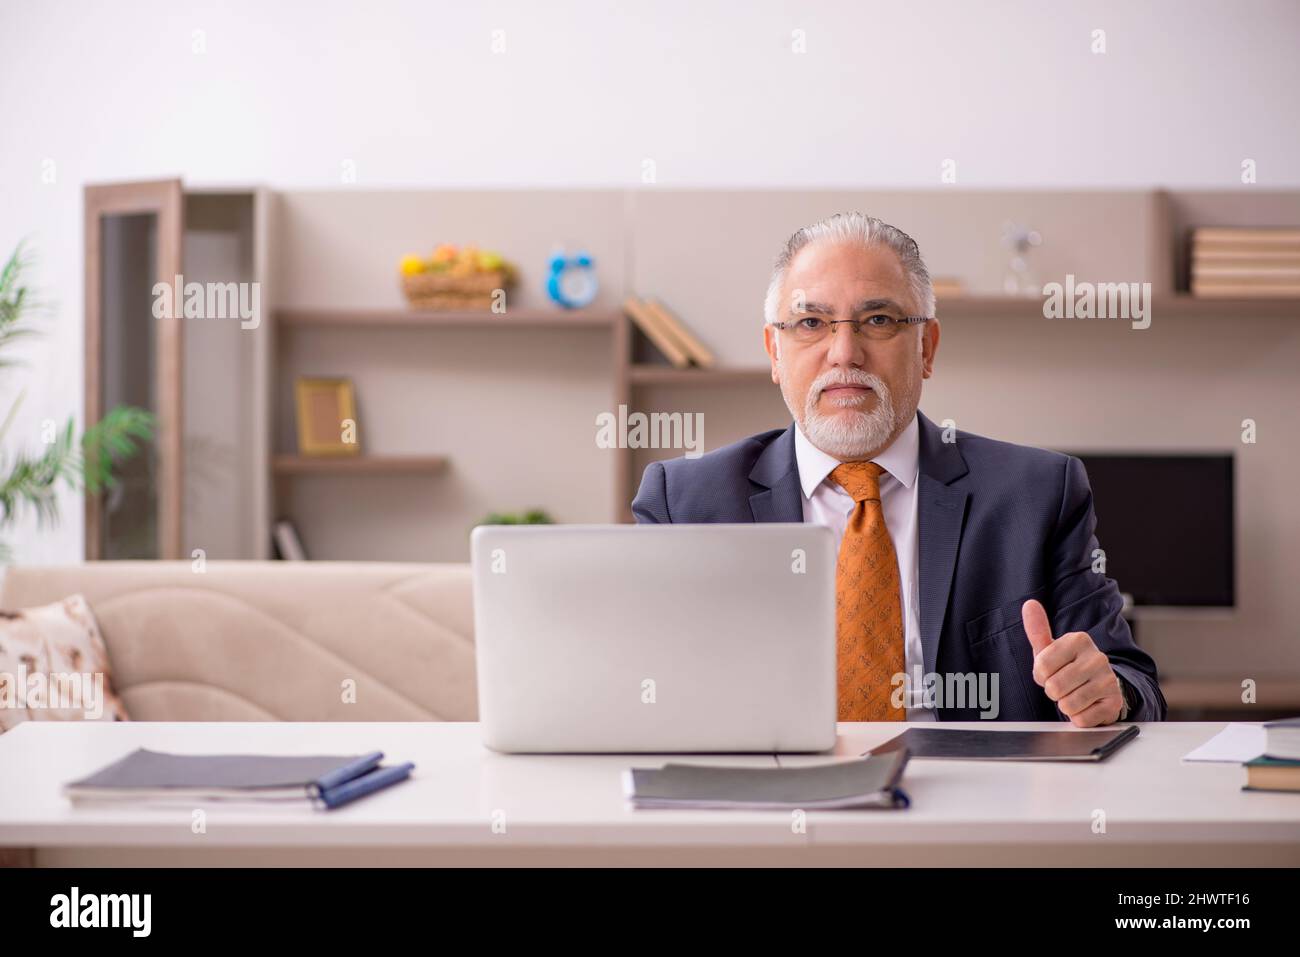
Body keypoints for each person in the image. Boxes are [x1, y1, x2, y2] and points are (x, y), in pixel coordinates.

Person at [632, 212, 1165, 724]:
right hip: (770, 801)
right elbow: (636, 691)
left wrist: (1109, 693)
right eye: (811, 323)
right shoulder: (685, 502)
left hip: (976, 804)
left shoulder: (1038, 494)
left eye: (879, 320)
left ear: (927, 347)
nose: (845, 352)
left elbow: (1132, 680)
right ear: (775, 352)